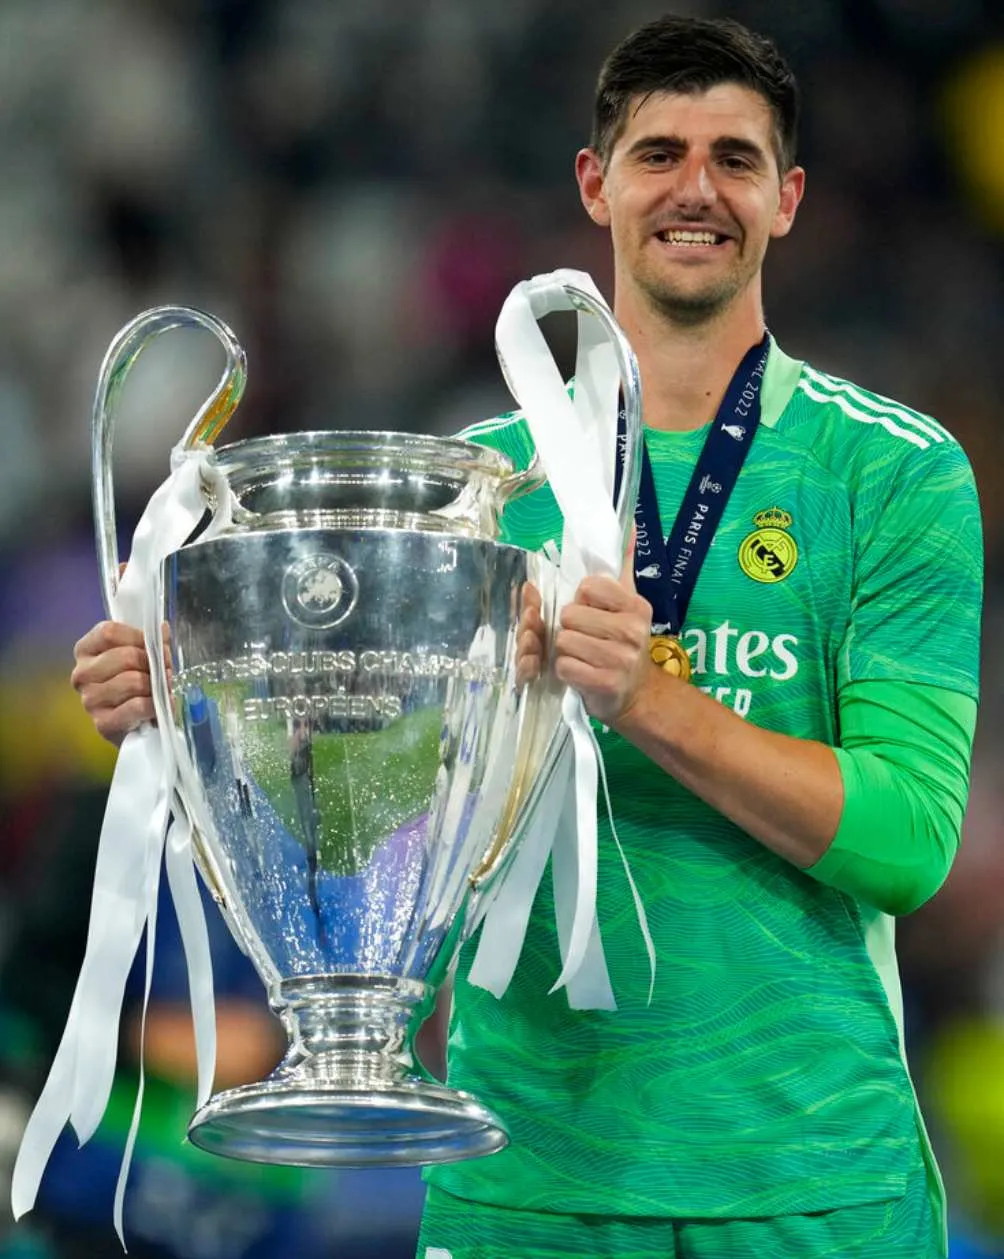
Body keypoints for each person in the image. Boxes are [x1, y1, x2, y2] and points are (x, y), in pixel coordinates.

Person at [70, 14, 982, 1259]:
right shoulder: (471, 494)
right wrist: (190, 704)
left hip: (810, 1176)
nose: (696, 189)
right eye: (659, 153)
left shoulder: (890, 471)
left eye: (735, 158)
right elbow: (368, 804)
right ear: (594, 183)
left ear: (788, 199)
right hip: (522, 1175)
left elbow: (905, 840)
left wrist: (648, 699)